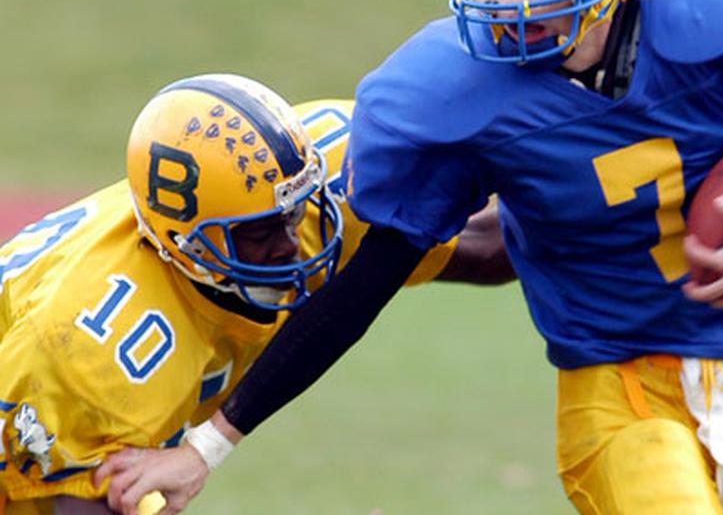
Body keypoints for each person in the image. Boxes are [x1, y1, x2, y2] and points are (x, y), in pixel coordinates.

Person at [101, 0, 723, 513]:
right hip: (620, 382)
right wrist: (208, 445)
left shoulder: (720, 9)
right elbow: (369, 279)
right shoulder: (459, 91)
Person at [0, 75, 511, 514]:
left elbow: (484, 249)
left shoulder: (317, 178)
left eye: (291, 214)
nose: (291, 244)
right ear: (184, 239)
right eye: (259, 231)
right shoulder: (91, 340)